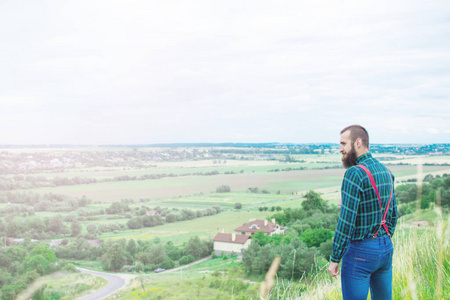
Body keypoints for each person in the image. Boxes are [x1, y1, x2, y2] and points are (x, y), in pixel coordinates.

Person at [328, 125, 398, 300]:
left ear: (358, 142)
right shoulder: (386, 171)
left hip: (360, 252)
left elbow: (346, 223)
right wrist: (384, 238)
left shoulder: (354, 174)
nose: (340, 149)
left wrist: (335, 258)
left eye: (344, 144)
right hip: (385, 247)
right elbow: (393, 214)